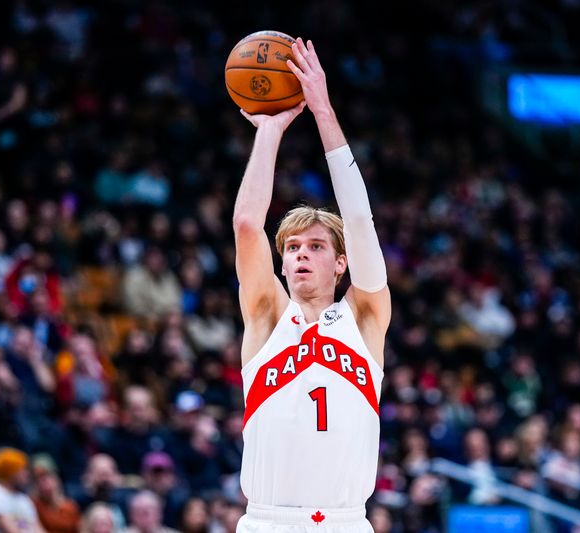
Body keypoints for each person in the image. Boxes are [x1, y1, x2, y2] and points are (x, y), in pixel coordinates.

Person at [232, 37, 390, 532]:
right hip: (268, 522)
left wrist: (322, 111)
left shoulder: (364, 316)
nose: (301, 254)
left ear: (342, 263)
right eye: (293, 248)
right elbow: (245, 224)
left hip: (344, 522)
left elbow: (360, 220)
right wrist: (270, 129)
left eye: (316, 246)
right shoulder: (265, 315)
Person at [0, 447, 46, 533]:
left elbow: (39, 530)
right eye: (22, 469)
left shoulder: (23, 499)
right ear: (11, 472)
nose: (27, 474)